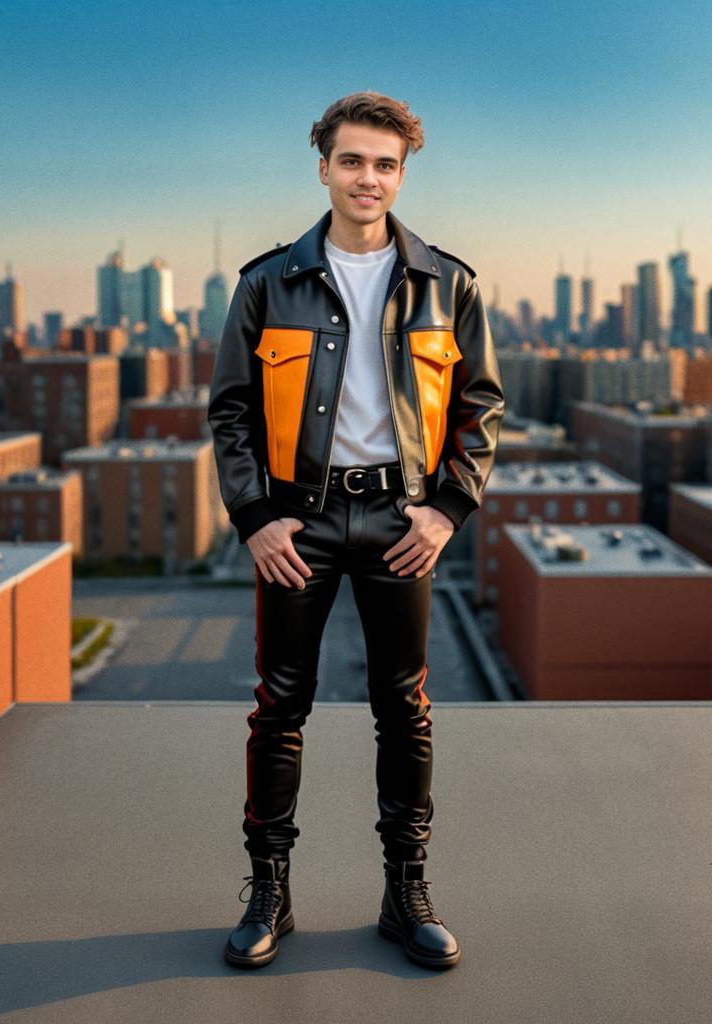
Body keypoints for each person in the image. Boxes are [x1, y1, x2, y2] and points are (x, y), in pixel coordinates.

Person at [207, 91, 504, 970]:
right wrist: (256, 517)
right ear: (324, 166)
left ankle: (405, 890)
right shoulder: (267, 281)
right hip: (297, 521)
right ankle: (269, 892)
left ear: (401, 174)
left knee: (404, 708)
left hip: (399, 518)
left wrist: (448, 510)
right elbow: (230, 412)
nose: (367, 178)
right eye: (352, 161)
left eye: (384, 164)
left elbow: (481, 408)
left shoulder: (448, 283)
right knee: (281, 706)